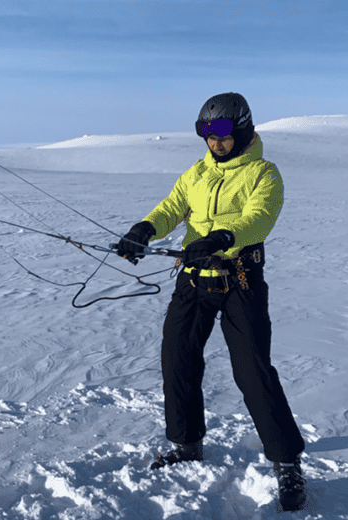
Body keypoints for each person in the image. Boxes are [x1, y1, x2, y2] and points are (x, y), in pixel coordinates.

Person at [117, 92, 307, 511]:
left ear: (241, 128)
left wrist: (222, 238)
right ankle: (187, 445)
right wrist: (145, 228)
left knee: (252, 371)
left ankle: (287, 462)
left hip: (240, 280)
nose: (213, 141)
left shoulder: (263, 173)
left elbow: (259, 217)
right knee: (178, 358)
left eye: (220, 132)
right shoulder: (197, 172)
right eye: (205, 132)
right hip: (193, 280)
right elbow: (173, 207)